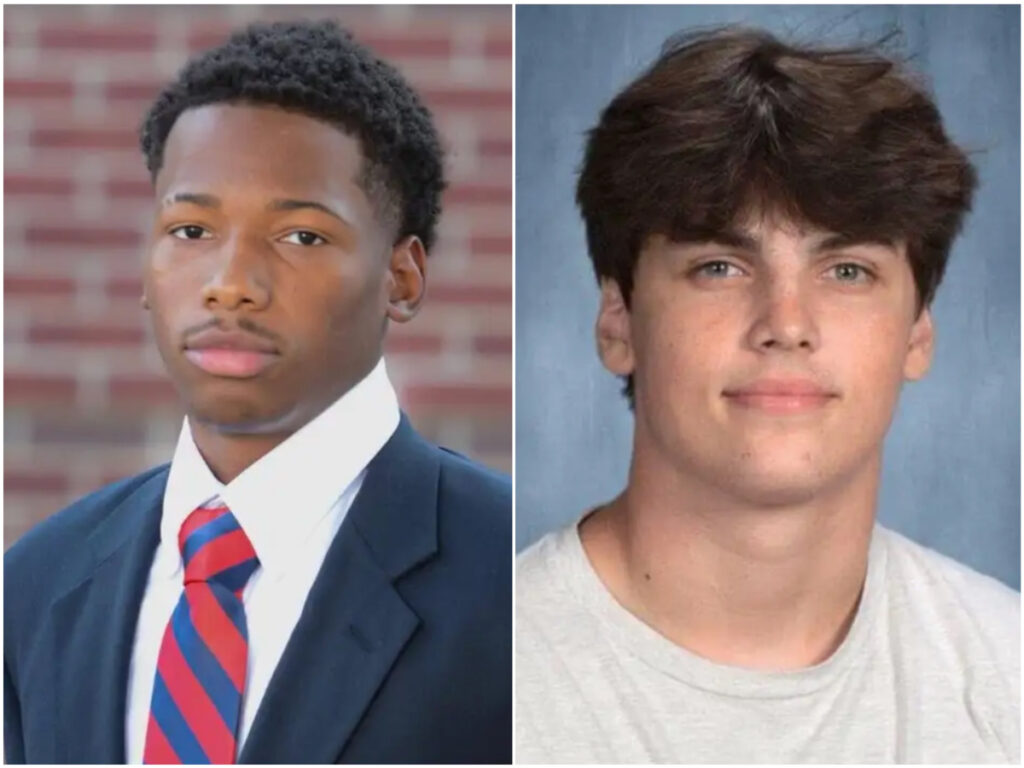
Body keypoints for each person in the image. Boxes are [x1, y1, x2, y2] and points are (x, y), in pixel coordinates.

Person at [5, 19, 511, 765]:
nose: (230, 285)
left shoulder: (511, 582)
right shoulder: (35, 585)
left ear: (400, 279)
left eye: (301, 236)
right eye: (190, 230)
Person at [516, 26, 1018, 764]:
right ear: (618, 319)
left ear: (916, 334)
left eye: (847, 271)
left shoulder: (1007, 678)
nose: (786, 324)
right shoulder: (473, 675)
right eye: (720, 266)